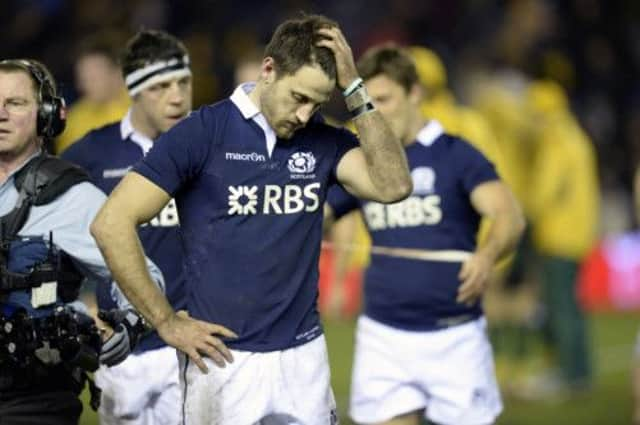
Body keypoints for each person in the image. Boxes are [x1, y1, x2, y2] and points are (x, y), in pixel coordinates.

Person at [90, 13, 412, 424]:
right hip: (222, 362)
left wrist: (354, 88)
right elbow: (111, 222)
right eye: (299, 97)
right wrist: (166, 322)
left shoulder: (323, 139)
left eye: (318, 101)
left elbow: (393, 186)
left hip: (303, 359)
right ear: (268, 70)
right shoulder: (203, 133)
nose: (305, 114)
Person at [325, 45, 525, 425]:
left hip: (455, 336)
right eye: (368, 102)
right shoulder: (365, 161)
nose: (375, 113)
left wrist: (486, 257)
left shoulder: (455, 154)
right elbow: (324, 215)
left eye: (384, 99)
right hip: (384, 336)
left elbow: (508, 216)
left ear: (415, 93)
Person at [0, 59, 164, 425]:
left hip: (31, 401)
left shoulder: (74, 198)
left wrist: (132, 322)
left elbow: (143, 274)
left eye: (15, 103)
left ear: (45, 115)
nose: (1, 114)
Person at [62, 29, 192, 425]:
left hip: (188, 343)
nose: (176, 96)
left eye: (183, 82)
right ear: (134, 90)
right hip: (121, 350)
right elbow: (53, 237)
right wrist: (80, 307)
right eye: (160, 86)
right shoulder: (91, 154)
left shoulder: (208, 147)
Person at [55, 31, 130, 154]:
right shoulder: (73, 121)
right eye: (83, 78)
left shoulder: (146, 110)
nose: (84, 85)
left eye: (94, 77)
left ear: (118, 73)